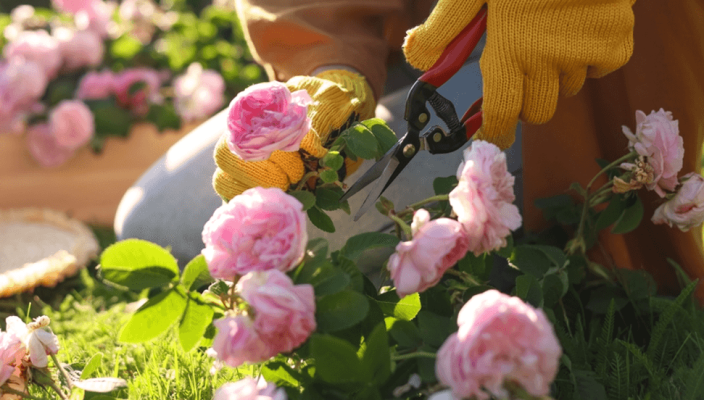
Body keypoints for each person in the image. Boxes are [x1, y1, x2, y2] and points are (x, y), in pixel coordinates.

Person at [116, 0, 704, 301]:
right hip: (427, 35)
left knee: (260, 245)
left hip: (583, 58)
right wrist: (330, 66)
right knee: (158, 220)